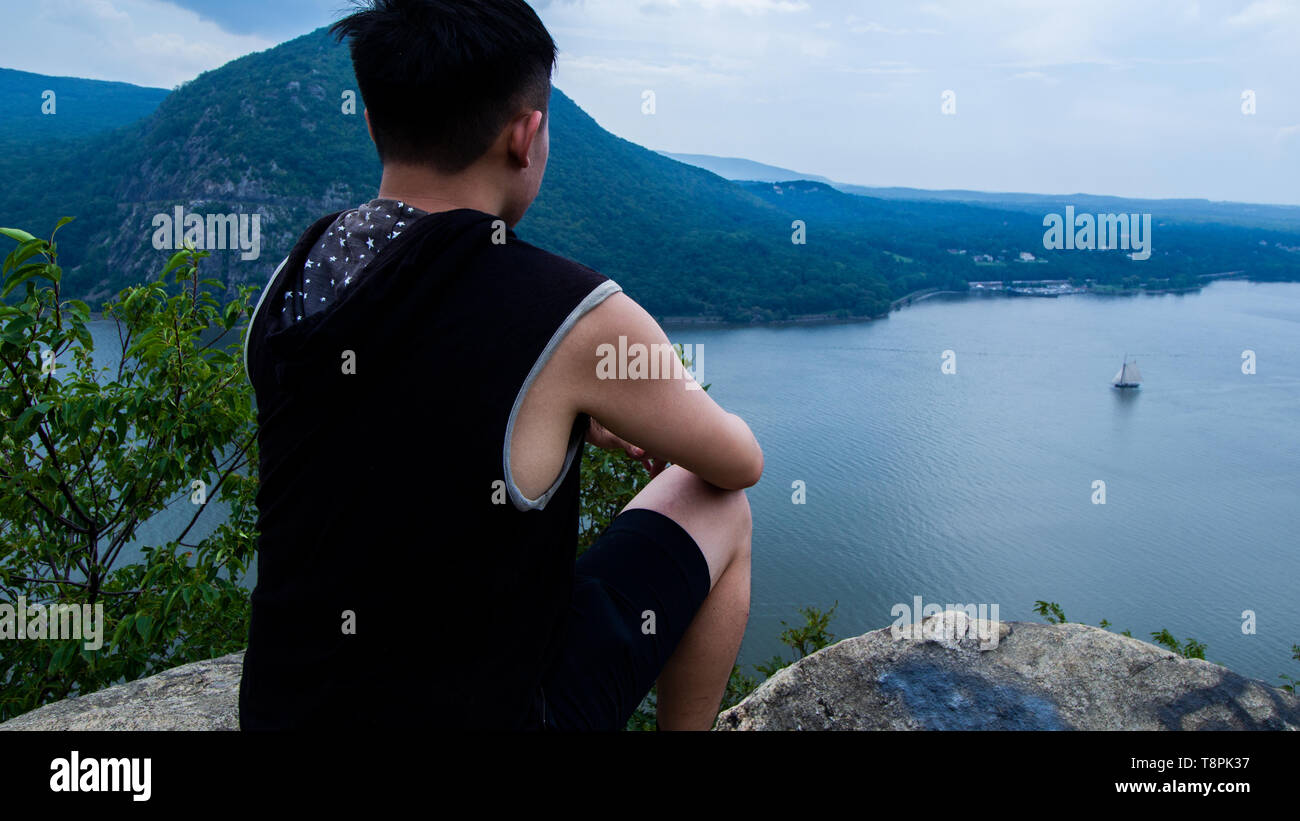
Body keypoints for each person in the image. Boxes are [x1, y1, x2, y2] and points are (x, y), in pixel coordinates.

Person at [238, 0, 762, 731]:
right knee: (716, 503)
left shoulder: (293, 279)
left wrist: (573, 411)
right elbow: (739, 460)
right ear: (526, 136)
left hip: (285, 715)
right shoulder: (573, 311)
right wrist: (605, 397)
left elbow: (405, 416)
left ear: (371, 121)